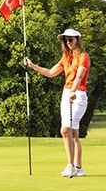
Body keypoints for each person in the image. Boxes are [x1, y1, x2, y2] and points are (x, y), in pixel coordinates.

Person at [24, 28, 90, 178]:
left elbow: (79, 77)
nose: (68, 43)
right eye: (65, 40)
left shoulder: (83, 57)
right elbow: (51, 73)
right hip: (67, 94)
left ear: (77, 40)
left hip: (78, 95)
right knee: (73, 133)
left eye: (70, 40)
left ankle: (71, 165)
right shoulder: (66, 57)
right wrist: (32, 65)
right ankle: (78, 168)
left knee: (65, 130)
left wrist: (73, 91)